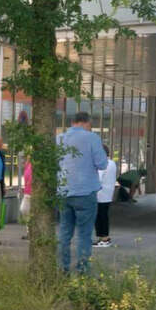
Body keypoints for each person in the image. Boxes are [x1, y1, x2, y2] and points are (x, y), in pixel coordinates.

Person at [56, 112, 108, 274]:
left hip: (64, 191)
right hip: (85, 192)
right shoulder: (92, 138)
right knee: (84, 235)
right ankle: (83, 271)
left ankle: (62, 269)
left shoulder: (59, 139)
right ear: (87, 123)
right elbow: (102, 164)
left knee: (64, 233)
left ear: (72, 122)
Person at [94, 144, 117, 248]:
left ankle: (104, 239)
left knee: (100, 217)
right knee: (103, 216)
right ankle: (103, 238)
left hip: (99, 195)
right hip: (107, 194)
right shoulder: (112, 163)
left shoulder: (102, 165)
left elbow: (97, 179)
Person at [19, 157, 34, 239]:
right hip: (27, 192)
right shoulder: (28, 165)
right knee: (24, 209)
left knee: (28, 210)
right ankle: (30, 232)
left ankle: (31, 232)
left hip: (34, 193)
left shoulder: (35, 165)